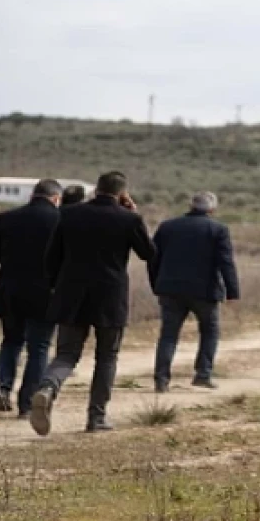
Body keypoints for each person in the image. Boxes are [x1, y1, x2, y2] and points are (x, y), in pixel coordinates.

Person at [30, 171, 155, 435]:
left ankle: (47, 387)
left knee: (66, 354)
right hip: (110, 297)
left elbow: (50, 258)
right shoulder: (129, 219)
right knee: (107, 357)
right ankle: (96, 417)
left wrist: (57, 287)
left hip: (71, 294)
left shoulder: (69, 214)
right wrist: (134, 214)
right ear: (122, 193)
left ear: (96, 189)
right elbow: (149, 254)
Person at [0, 178, 62, 418]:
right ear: (56, 198)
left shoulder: (7, 217)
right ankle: (27, 404)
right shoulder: (60, 220)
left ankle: (3, 388)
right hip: (45, 293)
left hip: (10, 289)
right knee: (38, 347)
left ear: (32, 195)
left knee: (11, 341)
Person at [148, 191, 240, 393]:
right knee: (210, 332)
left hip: (171, 290)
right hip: (204, 291)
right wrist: (232, 291)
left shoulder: (168, 226)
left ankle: (161, 379)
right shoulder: (218, 229)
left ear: (191, 205)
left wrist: (156, 284)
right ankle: (203, 374)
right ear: (212, 209)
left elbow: (153, 258)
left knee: (168, 335)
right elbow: (225, 262)